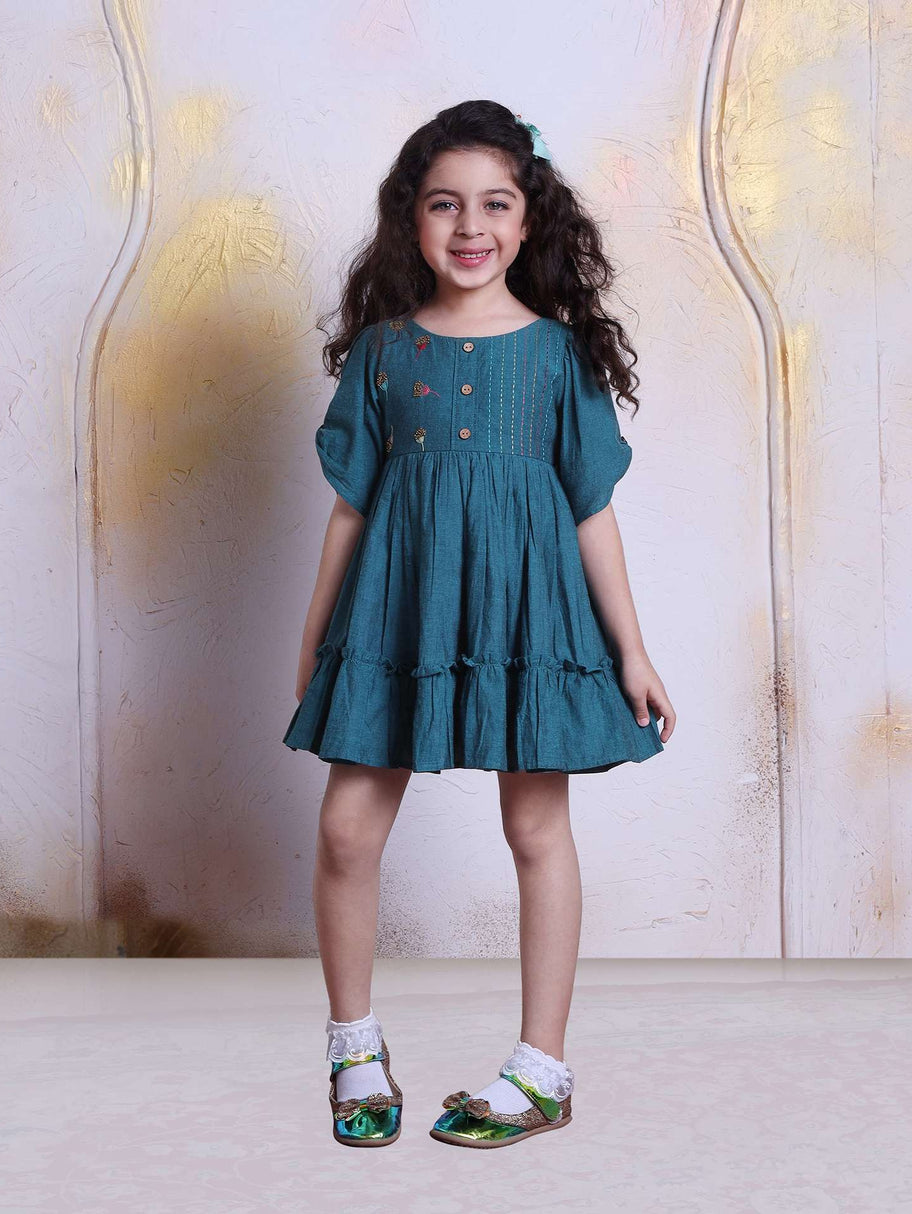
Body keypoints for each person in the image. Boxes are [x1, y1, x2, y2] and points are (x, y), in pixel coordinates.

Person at [282, 100, 677, 1149]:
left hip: (526, 612)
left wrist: (631, 650)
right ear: (409, 219)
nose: (469, 225)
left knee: (535, 827)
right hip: (398, 613)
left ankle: (540, 1069)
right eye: (443, 203)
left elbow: (591, 508)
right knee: (344, 829)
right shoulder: (380, 351)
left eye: (494, 203)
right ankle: (353, 1048)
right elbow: (349, 508)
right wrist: (317, 642)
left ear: (528, 220)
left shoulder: (555, 356)